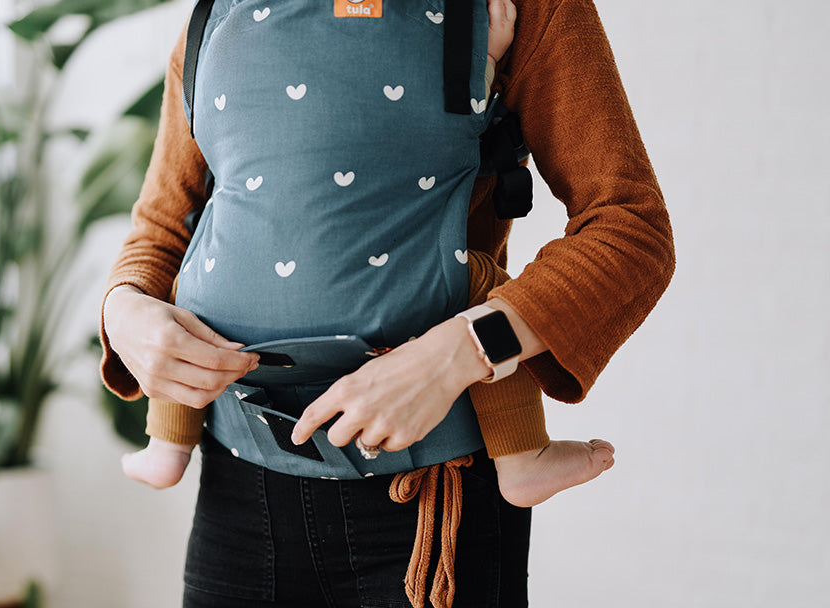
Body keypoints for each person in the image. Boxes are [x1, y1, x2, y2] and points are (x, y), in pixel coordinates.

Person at [100, 0, 675, 606]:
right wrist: (124, 311)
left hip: (430, 507)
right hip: (237, 500)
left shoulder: (514, 9)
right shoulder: (221, 14)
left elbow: (630, 230)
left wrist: (458, 354)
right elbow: (165, 227)